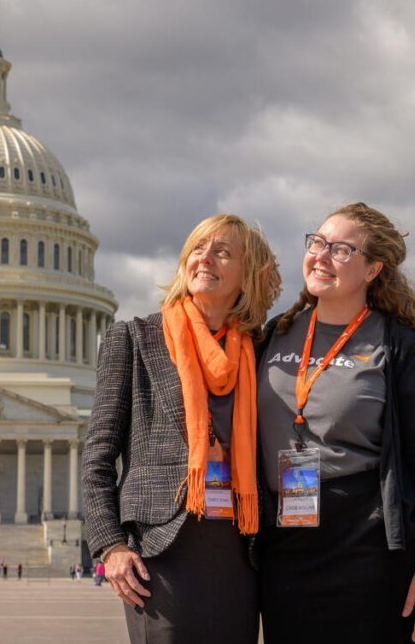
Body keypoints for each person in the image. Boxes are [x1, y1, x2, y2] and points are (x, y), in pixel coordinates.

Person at [82, 214, 281, 644]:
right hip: (161, 555)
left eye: (222, 251)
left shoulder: (259, 352)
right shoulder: (133, 340)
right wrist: (110, 546)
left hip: (239, 556)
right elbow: (98, 455)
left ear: (247, 276)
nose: (204, 257)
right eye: (197, 248)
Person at [255, 202, 415, 643]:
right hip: (286, 544)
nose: (321, 256)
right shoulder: (274, 334)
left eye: (340, 250)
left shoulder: (396, 344)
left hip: (368, 542)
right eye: (317, 242)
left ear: (372, 269)